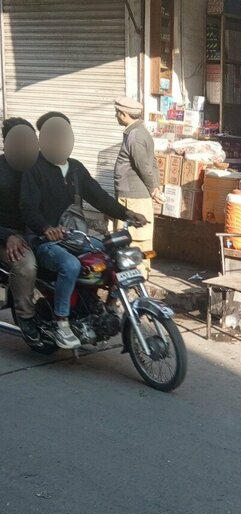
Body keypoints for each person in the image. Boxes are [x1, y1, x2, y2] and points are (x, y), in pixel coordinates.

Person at [20, 113, 147, 350]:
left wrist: (127, 214)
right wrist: (46, 229)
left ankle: (108, 307)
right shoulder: (33, 170)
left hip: (75, 237)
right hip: (44, 241)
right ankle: (62, 321)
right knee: (70, 265)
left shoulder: (76, 168)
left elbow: (99, 196)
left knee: (112, 256)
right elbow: (28, 208)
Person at [0, 118, 43, 345]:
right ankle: (26, 316)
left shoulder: (39, 165)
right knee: (26, 264)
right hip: (6, 235)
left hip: (34, 230)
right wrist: (7, 236)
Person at [113, 97, 162, 274]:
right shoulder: (139, 132)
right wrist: (155, 187)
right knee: (135, 237)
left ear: (123, 114)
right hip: (135, 195)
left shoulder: (135, 136)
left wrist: (153, 189)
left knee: (133, 237)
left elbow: (144, 167)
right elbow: (152, 163)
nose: (116, 116)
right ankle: (138, 272)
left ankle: (136, 274)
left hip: (133, 197)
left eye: (117, 113)